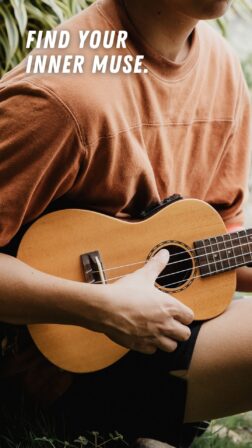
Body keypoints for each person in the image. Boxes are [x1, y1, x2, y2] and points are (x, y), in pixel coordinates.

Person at [0, 0, 251, 447]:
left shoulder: (221, 68)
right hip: (54, 362)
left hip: (153, 333)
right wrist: (102, 308)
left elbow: (222, 230)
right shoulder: (62, 94)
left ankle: (151, 426)